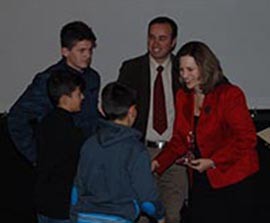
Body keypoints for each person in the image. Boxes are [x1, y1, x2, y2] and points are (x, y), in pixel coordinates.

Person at [152, 41, 259, 223]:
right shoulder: (183, 96)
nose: (185, 76)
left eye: (190, 70)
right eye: (181, 70)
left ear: (205, 68)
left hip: (233, 178)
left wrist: (213, 161)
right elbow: (179, 139)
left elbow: (247, 139)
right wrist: (157, 163)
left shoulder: (229, 95)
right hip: (202, 178)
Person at [118, 16, 188, 223]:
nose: (155, 44)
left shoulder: (183, 70)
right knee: (141, 215)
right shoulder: (131, 68)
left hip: (175, 153)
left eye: (162, 38)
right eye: (151, 37)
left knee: (172, 214)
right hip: (141, 151)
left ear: (173, 42)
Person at [70, 82, 165, 223]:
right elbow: (148, 202)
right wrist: (160, 215)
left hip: (84, 216)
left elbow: (76, 191)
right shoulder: (136, 150)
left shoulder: (89, 144)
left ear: (102, 110)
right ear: (132, 111)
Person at [7, 20, 100, 164]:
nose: (87, 55)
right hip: (58, 161)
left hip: (86, 159)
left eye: (90, 50)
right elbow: (17, 118)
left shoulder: (92, 78)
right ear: (65, 51)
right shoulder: (47, 80)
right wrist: (36, 156)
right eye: (81, 50)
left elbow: (91, 116)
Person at [34, 70, 86, 223]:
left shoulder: (45, 122)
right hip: (64, 204)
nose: (82, 97)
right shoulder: (71, 130)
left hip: (43, 199)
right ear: (65, 98)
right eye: (78, 94)